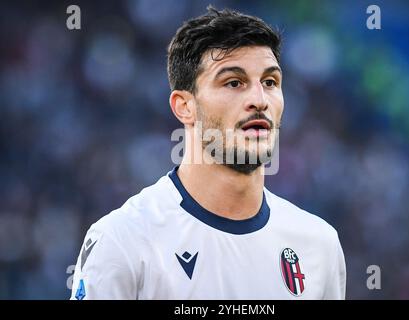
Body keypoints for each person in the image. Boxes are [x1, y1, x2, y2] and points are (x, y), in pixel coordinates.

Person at [71, 6, 346, 300]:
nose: (259, 100)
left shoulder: (319, 245)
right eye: (233, 82)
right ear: (184, 106)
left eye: (270, 82)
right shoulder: (124, 241)